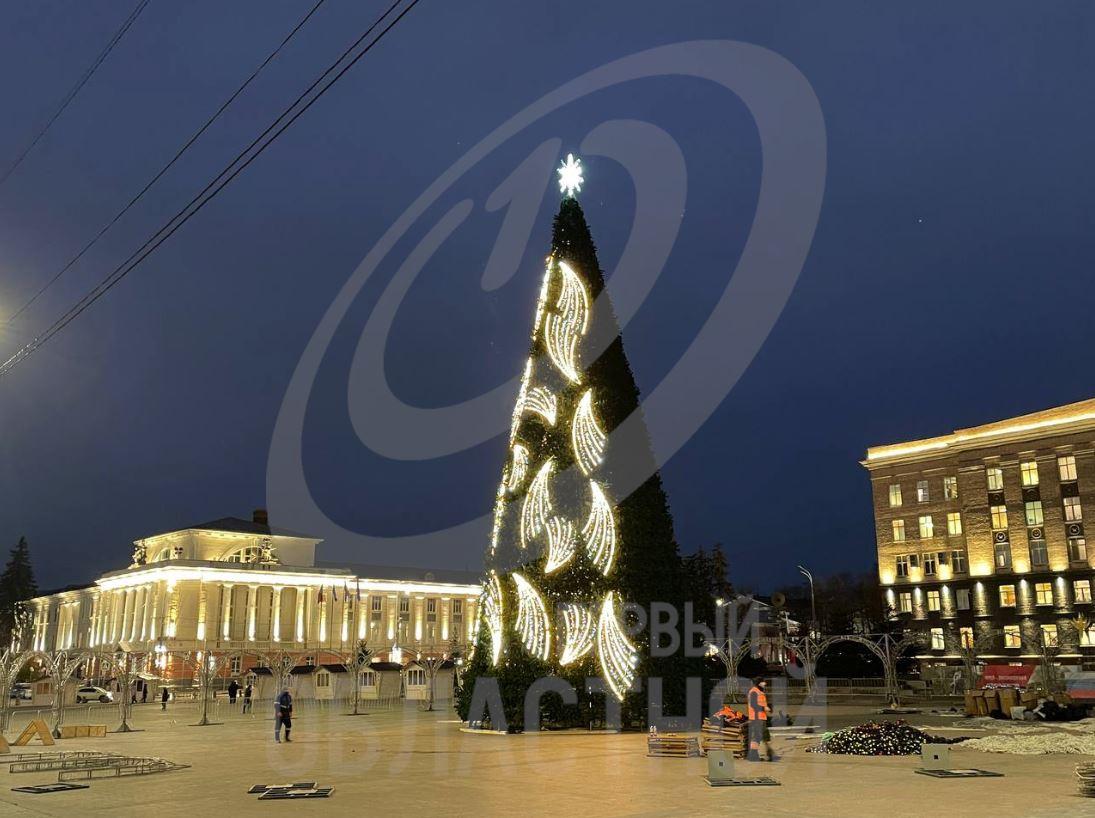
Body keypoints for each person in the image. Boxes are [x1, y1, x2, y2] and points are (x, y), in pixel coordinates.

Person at [746, 677, 774, 762]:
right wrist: (764, 708)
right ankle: (754, 755)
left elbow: (761, 703)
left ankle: (764, 753)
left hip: (761, 717)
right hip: (756, 718)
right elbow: (754, 705)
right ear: (759, 683)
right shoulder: (754, 692)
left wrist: (768, 707)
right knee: (758, 737)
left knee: (761, 736)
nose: (765, 683)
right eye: (763, 682)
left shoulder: (760, 692)